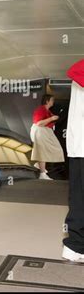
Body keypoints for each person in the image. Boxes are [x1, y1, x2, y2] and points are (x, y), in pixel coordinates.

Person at [62, 59, 84, 262]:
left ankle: (76, 245)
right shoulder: (80, 68)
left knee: (79, 196)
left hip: (80, 144)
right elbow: (75, 70)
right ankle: (77, 245)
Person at [30, 94, 65, 180]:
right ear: (47, 101)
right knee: (42, 151)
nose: (53, 102)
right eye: (52, 100)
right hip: (40, 131)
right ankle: (42, 173)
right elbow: (39, 123)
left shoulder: (47, 111)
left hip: (45, 131)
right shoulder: (41, 110)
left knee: (52, 149)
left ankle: (39, 165)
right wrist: (52, 118)